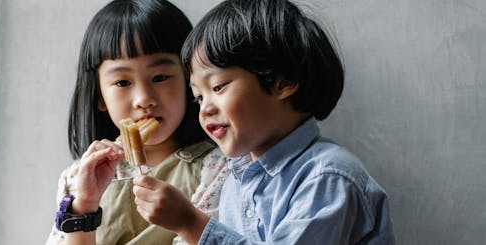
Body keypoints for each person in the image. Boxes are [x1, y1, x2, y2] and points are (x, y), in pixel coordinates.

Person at [132, 0, 396, 244]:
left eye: (219, 86)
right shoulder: (235, 178)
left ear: (283, 81)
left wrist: (191, 223)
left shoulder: (328, 178)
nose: (205, 109)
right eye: (198, 97)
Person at [45, 0, 227, 244]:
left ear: (189, 81)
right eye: (122, 82)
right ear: (100, 96)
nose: (144, 99)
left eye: (160, 77)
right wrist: (85, 206)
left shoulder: (218, 168)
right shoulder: (77, 178)